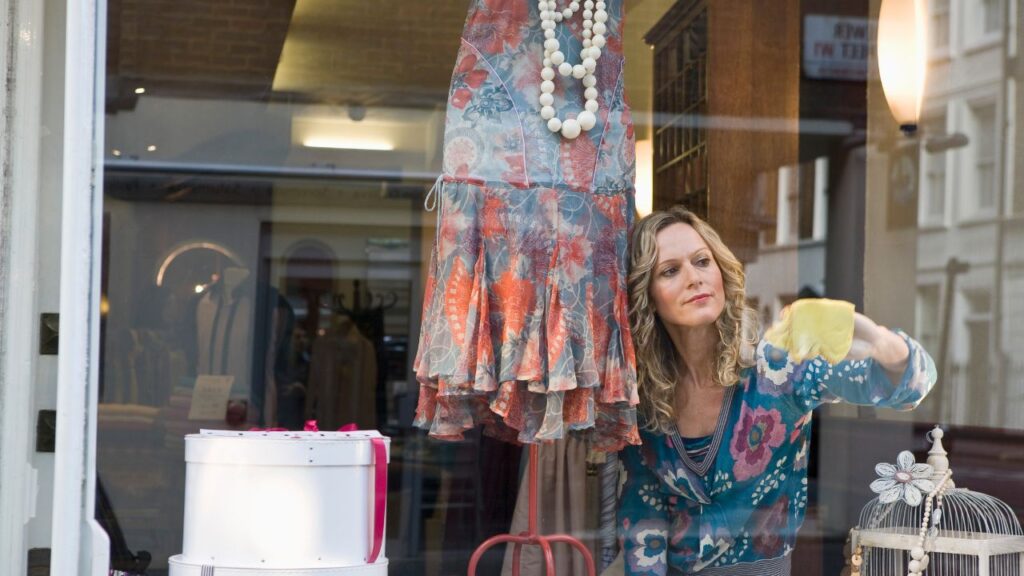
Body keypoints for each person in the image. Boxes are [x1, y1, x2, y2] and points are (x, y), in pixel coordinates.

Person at [616, 207, 937, 575]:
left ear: (721, 271)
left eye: (702, 261)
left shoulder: (778, 366)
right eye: (670, 271)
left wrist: (871, 335)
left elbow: (912, 385)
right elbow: (644, 517)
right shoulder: (646, 395)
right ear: (648, 296)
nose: (694, 278)